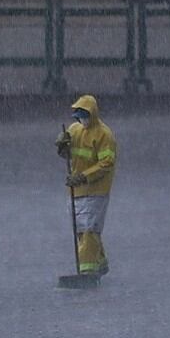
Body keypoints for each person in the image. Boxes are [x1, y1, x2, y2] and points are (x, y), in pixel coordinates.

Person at [55, 94, 117, 277]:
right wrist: (62, 148)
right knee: (83, 231)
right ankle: (100, 261)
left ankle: (87, 273)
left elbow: (106, 163)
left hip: (97, 190)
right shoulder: (74, 130)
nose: (82, 120)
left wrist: (83, 177)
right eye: (79, 117)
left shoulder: (105, 135)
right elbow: (69, 156)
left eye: (85, 115)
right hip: (76, 191)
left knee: (89, 229)